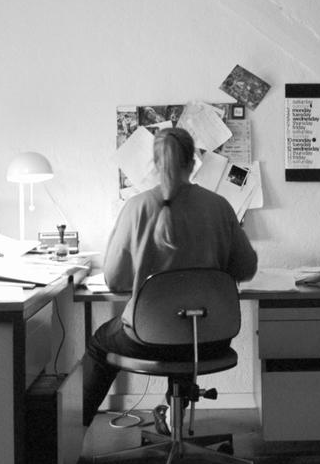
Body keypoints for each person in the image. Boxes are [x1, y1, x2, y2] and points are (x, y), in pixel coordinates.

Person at [82, 126, 259, 426]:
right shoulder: (219, 206)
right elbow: (246, 269)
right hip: (211, 339)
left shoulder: (137, 207)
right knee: (181, 335)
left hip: (147, 338)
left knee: (100, 345)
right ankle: (173, 414)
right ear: (192, 162)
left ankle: (70, 438)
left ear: (155, 163)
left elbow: (115, 280)